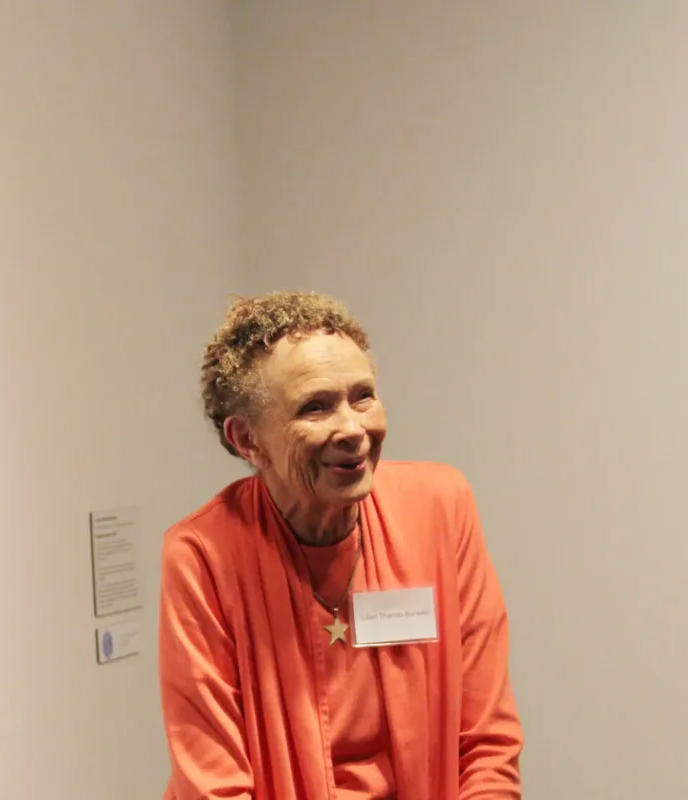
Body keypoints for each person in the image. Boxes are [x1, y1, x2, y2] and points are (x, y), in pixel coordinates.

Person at [157, 291, 523, 799]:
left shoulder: (440, 507)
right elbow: (212, 781)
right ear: (247, 440)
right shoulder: (202, 553)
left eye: (363, 396)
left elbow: (486, 741)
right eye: (315, 407)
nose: (353, 429)